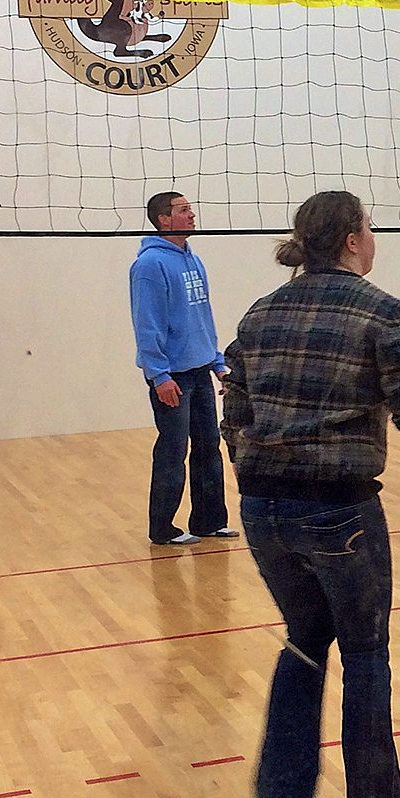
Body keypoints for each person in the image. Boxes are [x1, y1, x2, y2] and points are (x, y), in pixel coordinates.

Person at [222, 190, 400, 798]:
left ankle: (280, 787)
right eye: (368, 227)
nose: (373, 238)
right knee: (366, 650)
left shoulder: (261, 313)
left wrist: (258, 474)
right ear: (351, 239)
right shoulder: (386, 315)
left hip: (263, 508)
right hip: (338, 510)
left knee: (306, 635)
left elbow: (233, 409)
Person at [130, 191, 236, 546]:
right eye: (183, 210)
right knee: (174, 452)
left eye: (190, 208)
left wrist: (218, 363)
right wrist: (159, 374)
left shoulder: (193, 259)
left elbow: (201, 316)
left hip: (200, 371)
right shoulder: (149, 266)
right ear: (163, 219)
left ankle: (209, 521)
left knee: (209, 447)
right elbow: (147, 324)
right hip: (171, 377)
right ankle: (162, 527)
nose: (192, 214)